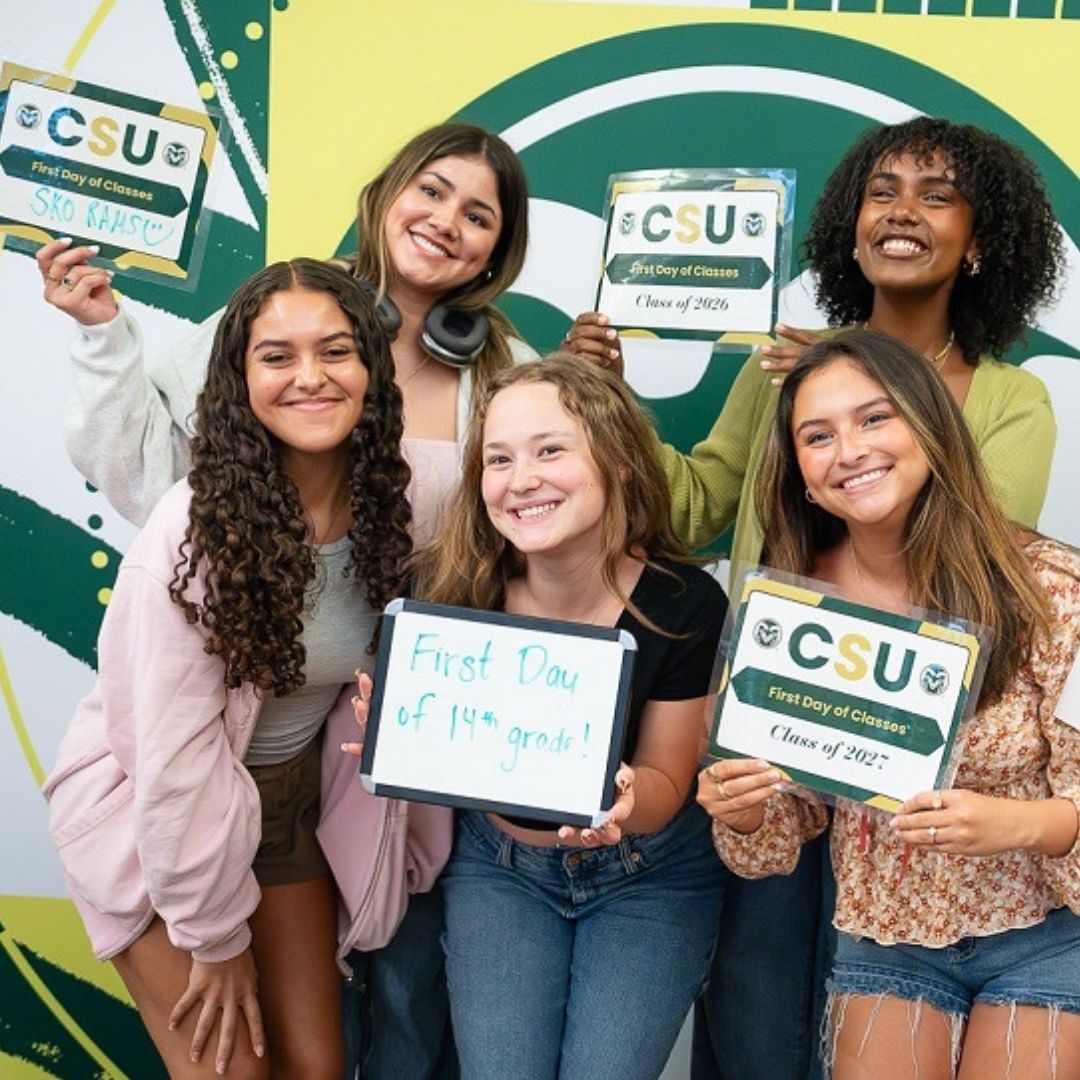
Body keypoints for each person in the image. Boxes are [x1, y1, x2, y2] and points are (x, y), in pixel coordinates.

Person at [564, 116, 1065, 1080]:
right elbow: (700, 501)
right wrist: (608, 404)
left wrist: (851, 412)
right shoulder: (782, 376)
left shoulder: (1010, 400)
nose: (903, 212)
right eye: (883, 191)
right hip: (782, 749)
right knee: (754, 1013)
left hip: (925, 784)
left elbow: (972, 563)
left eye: (937, 194)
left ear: (983, 239)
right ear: (851, 223)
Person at [38, 122, 533, 1078]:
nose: (311, 376)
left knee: (319, 1063)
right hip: (161, 810)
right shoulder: (191, 539)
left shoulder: (421, 483)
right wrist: (215, 943)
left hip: (295, 799)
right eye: (279, 359)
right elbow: (177, 771)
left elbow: (531, 520)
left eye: (479, 214)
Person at [699, 327, 1080, 1080]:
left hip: (1042, 934)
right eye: (818, 435)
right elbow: (785, 824)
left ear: (931, 426)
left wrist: (1020, 822)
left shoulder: (1055, 591)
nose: (849, 449)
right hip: (884, 938)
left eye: (875, 418)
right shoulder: (792, 609)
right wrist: (741, 807)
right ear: (802, 476)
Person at [348, 355, 729, 1080]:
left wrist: (621, 799)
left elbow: (667, 784)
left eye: (550, 450)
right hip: (501, 870)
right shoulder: (453, 592)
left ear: (618, 462)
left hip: (647, 875)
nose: (521, 479)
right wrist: (403, 734)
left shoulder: (684, 604)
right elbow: (442, 756)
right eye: (498, 459)